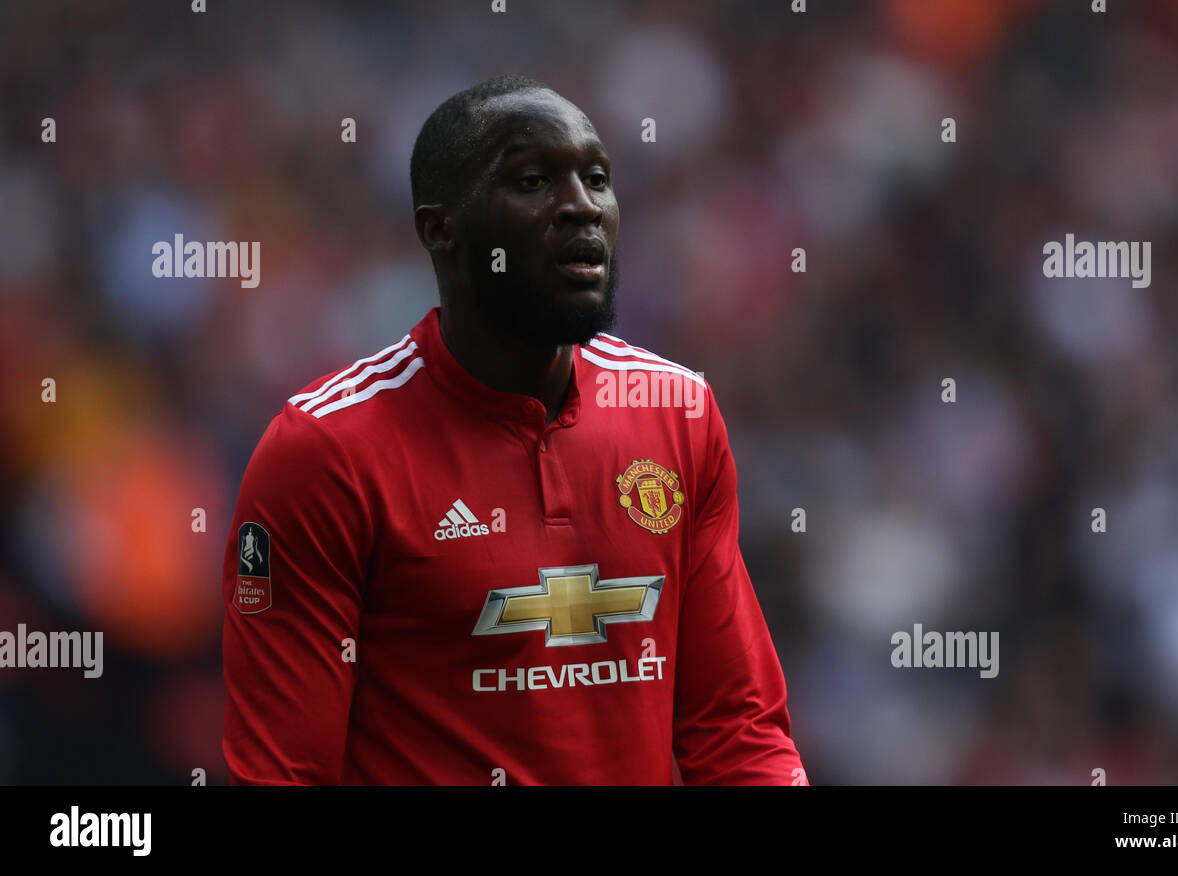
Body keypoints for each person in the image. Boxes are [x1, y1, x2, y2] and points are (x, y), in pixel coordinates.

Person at [221, 74, 808, 785]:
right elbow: (284, 774)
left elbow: (736, 730)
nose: (581, 208)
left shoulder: (676, 412)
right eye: (533, 182)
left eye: (596, 178)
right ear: (441, 228)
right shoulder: (325, 454)